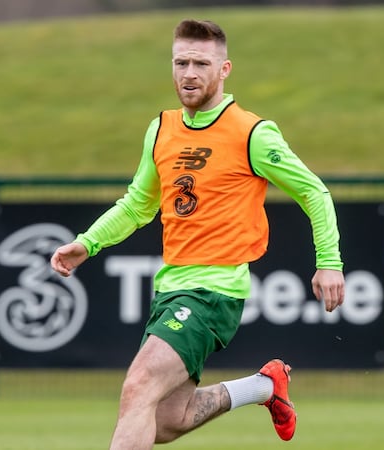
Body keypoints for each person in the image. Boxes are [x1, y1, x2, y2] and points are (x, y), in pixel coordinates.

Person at [50, 19, 345, 449]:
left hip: (213, 291)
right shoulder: (161, 129)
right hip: (171, 287)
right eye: (181, 63)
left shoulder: (252, 133)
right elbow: (137, 204)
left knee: (138, 386)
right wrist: (87, 242)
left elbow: (313, 191)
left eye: (201, 64)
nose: (189, 73)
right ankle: (263, 387)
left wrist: (329, 262)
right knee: (167, 420)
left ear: (224, 70)